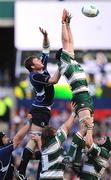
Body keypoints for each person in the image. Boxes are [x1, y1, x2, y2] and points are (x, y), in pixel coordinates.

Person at [17, 27, 61, 180]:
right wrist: (62, 64)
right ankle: (23, 170)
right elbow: (54, 80)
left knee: (35, 140)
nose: (39, 60)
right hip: (40, 109)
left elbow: (46, 49)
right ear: (33, 67)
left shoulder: (40, 68)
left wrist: (46, 36)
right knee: (35, 139)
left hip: (42, 109)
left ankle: (26, 168)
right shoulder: (35, 76)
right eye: (36, 60)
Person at [56, 9, 94, 127]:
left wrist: (68, 25)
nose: (70, 50)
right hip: (80, 95)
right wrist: (62, 24)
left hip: (85, 94)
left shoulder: (70, 61)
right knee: (86, 127)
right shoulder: (64, 61)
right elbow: (66, 41)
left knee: (89, 127)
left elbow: (71, 42)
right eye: (66, 51)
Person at [31, 106, 76, 180]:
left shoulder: (44, 148)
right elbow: (66, 127)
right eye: (54, 131)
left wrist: (38, 140)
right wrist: (73, 113)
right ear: (52, 135)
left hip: (44, 177)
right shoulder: (55, 142)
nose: (56, 131)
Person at [0, 115, 32, 180]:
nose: (8, 138)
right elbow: (17, 139)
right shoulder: (2, 151)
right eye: (5, 137)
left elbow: (12, 173)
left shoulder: (8, 153)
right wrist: (29, 123)